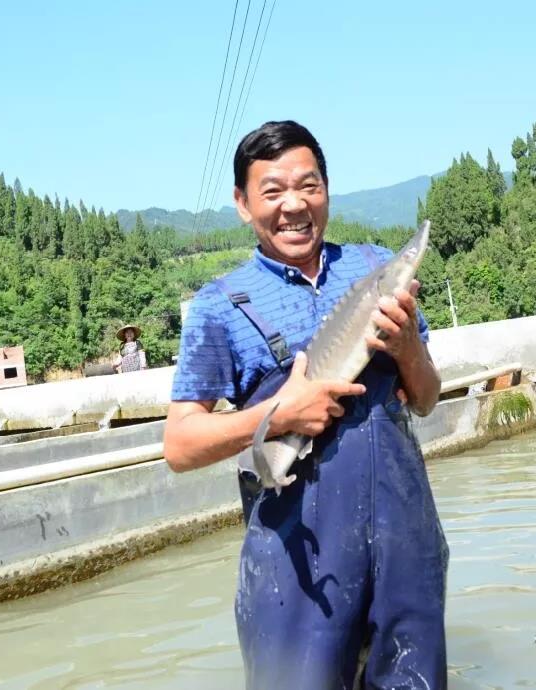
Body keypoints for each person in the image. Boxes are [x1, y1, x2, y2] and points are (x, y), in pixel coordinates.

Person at [164, 121, 448, 689]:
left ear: (327, 189)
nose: (294, 205)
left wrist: (409, 348)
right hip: (299, 567)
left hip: (403, 546)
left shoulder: (375, 268)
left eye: (308, 186)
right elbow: (180, 445)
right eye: (272, 191)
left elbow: (426, 399)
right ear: (244, 205)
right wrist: (280, 417)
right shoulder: (219, 306)